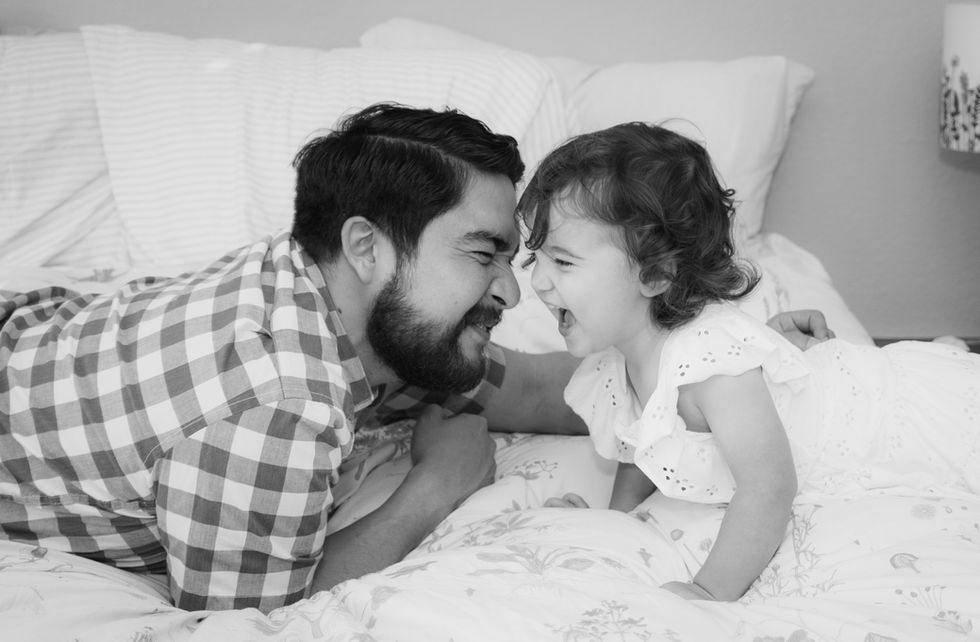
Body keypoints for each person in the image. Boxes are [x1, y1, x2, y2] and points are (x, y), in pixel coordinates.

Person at [0, 104, 831, 613]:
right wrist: (438, 485)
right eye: (485, 253)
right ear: (364, 245)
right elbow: (247, 618)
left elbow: (554, 389)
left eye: (529, 256)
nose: (516, 290)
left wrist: (719, 353)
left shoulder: (330, 286)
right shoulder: (275, 407)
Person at [522, 121, 980, 603]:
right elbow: (645, 445)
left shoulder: (707, 363)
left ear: (655, 274)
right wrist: (616, 525)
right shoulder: (620, 358)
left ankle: (949, 356)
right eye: (537, 260)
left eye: (564, 262)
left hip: (894, 415)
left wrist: (708, 590)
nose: (540, 283)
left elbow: (769, 487)